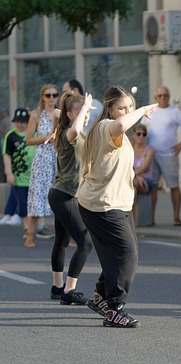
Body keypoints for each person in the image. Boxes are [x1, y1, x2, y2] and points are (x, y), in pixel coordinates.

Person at [78, 86, 157, 328]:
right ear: (110, 109)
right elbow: (122, 125)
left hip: (115, 202)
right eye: (122, 107)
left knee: (118, 254)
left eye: (131, 107)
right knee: (127, 254)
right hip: (103, 204)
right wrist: (143, 110)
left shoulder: (113, 132)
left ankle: (100, 297)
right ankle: (114, 309)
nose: (127, 111)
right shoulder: (106, 127)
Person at [48, 92, 94, 304]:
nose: (85, 115)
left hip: (64, 194)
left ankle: (57, 287)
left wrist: (84, 108)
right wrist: (83, 107)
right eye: (80, 112)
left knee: (62, 241)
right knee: (85, 242)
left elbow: (59, 112)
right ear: (69, 114)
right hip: (63, 195)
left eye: (86, 112)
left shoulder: (80, 134)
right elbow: (72, 125)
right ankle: (68, 291)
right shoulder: (69, 132)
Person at [142, 86, 181, 226]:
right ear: (155, 98)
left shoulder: (175, 112)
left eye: (165, 95)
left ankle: (176, 217)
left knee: (174, 186)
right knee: (152, 187)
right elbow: (141, 132)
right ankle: (151, 218)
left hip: (169, 155)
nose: (163, 98)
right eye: (159, 96)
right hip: (152, 155)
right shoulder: (149, 112)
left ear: (169, 96)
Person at [24, 84, 59, 247]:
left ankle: (65, 237)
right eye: (48, 95)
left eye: (55, 95)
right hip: (42, 158)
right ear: (43, 97)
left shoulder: (61, 114)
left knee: (61, 198)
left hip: (58, 158)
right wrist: (47, 138)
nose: (52, 98)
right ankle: (30, 235)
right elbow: (28, 140)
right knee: (37, 197)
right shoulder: (36, 115)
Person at [2, 109, 35, 229]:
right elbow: (7, 155)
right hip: (19, 177)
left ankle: (36, 227)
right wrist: (9, 173)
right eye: (17, 121)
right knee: (22, 203)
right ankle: (27, 229)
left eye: (23, 122)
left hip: (33, 176)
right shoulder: (11, 135)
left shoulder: (34, 134)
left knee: (33, 203)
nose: (20, 124)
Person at [131, 124, 155, 224]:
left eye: (144, 134)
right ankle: (132, 221)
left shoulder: (149, 150)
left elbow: (144, 168)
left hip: (146, 181)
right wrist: (135, 176)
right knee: (134, 190)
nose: (141, 136)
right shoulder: (129, 147)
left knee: (133, 185)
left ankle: (131, 222)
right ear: (133, 135)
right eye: (138, 133)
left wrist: (133, 175)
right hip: (134, 179)